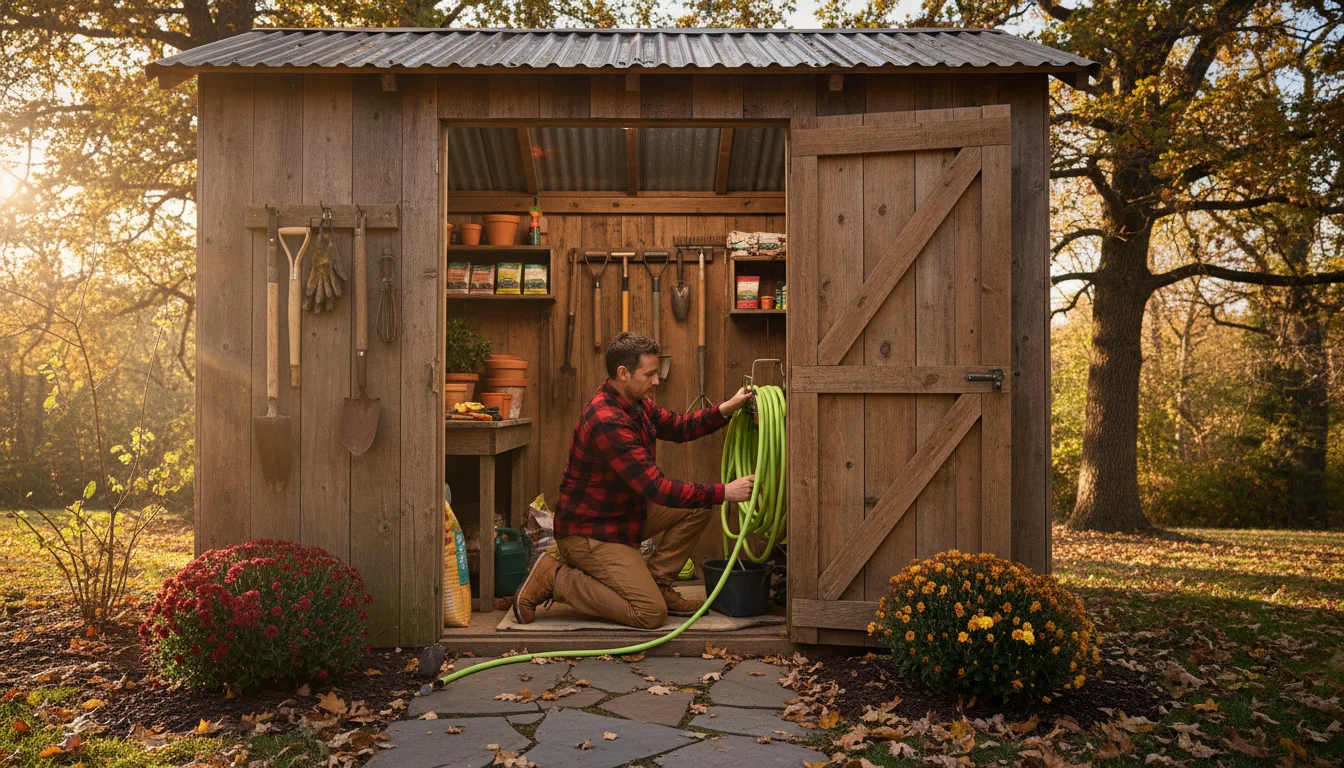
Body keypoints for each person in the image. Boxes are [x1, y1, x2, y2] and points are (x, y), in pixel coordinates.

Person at [512, 332, 754, 629]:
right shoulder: (607, 420)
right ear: (623, 373)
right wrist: (726, 491)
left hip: (624, 519)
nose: (657, 381)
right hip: (590, 533)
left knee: (699, 504)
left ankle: (658, 584)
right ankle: (554, 577)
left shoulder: (636, 402)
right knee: (649, 613)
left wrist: (725, 409)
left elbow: (677, 426)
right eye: (650, 374)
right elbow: (656, 488)